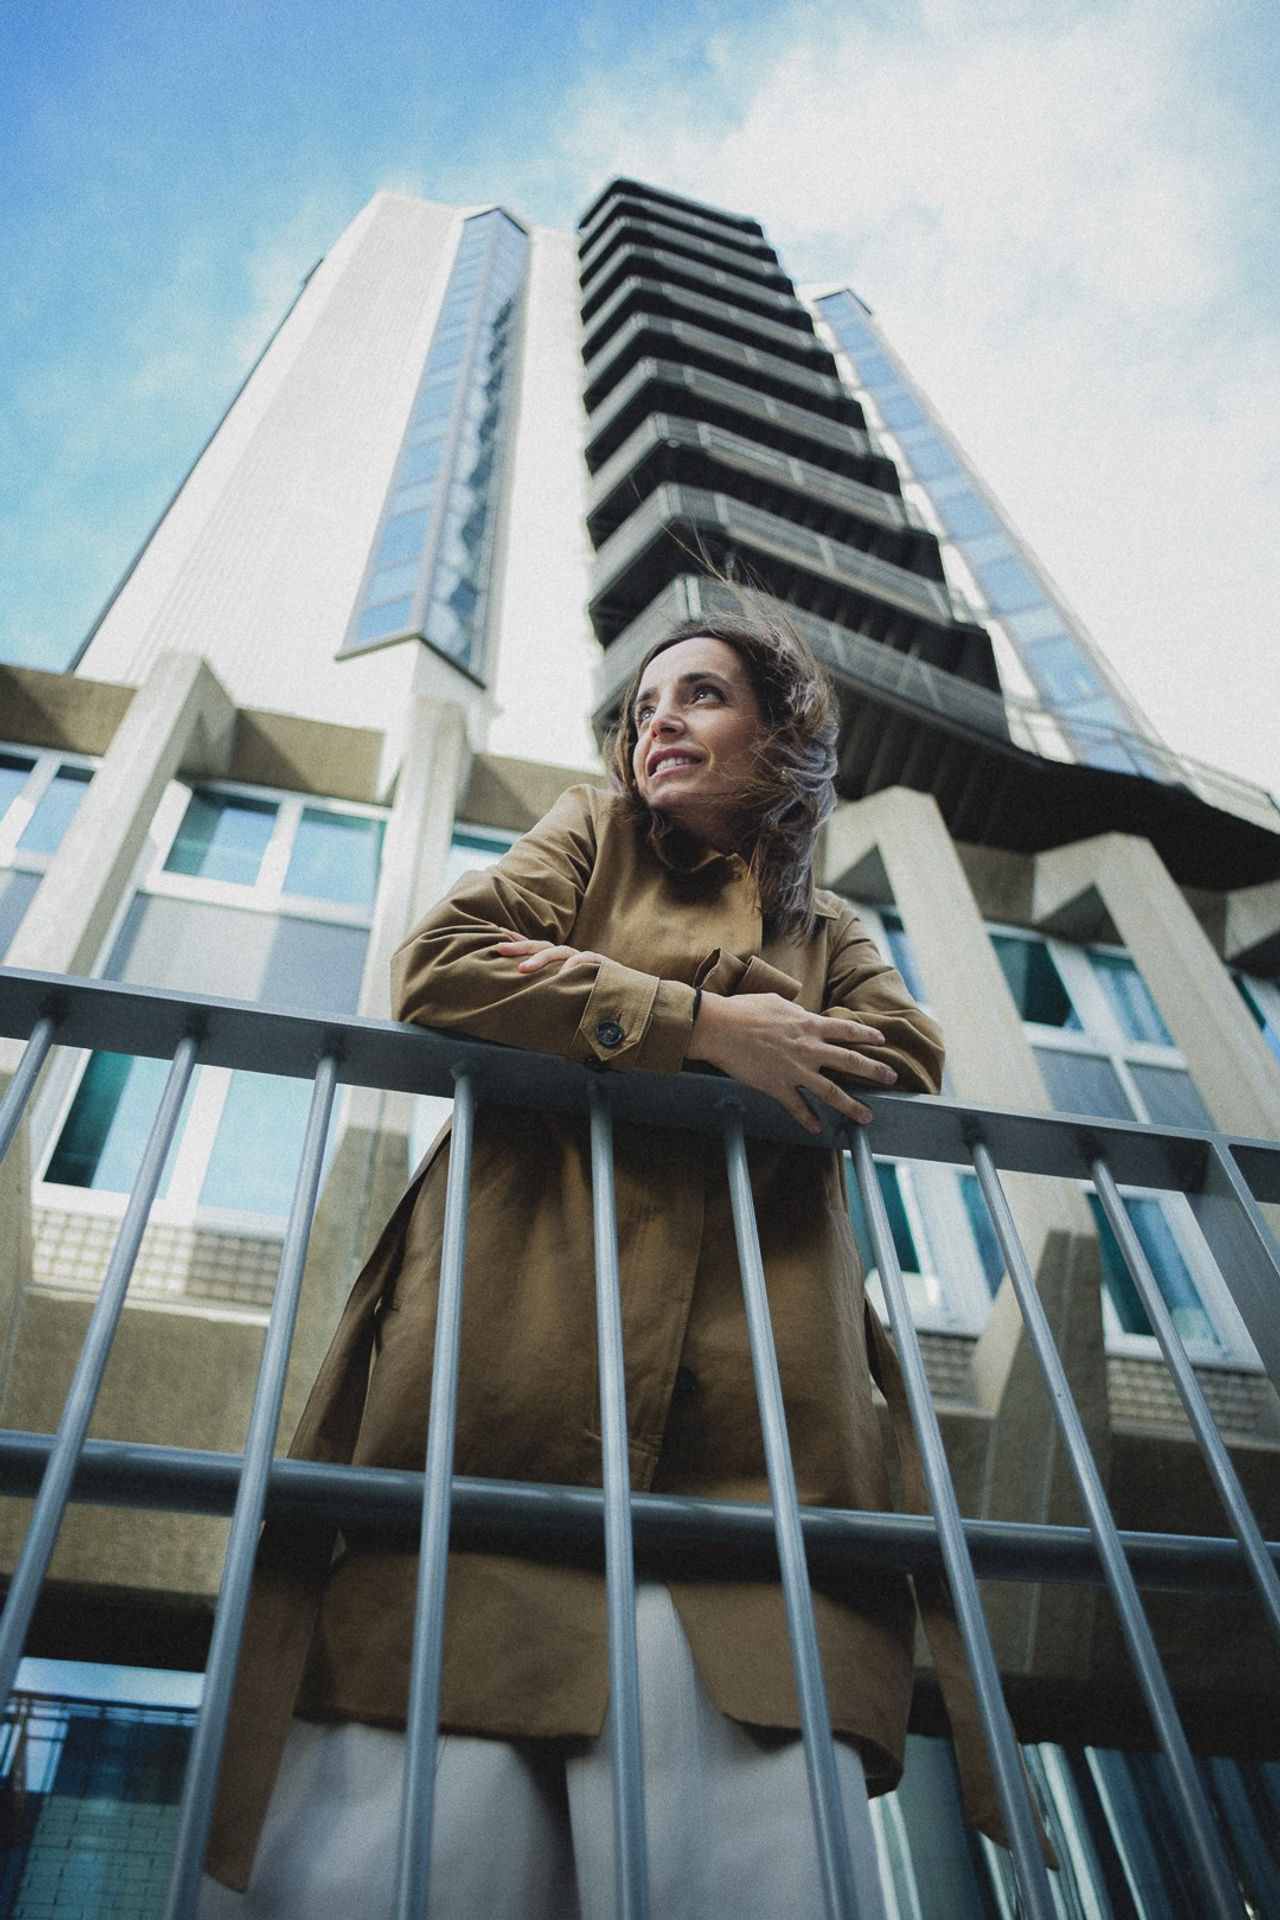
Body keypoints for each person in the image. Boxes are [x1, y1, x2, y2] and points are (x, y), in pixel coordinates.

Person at [201, 608, 971, 1918]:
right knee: (409, 1840)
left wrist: (593, 998)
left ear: (778, 741)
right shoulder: (592, 832)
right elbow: (442, 967)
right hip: (512, 1364)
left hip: (756, 1422)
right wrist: (705, 1025)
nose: (656, 720)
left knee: (757, 1851)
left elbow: (897, 1056)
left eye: (703, 694)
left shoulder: (827, 925)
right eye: (642, 706)